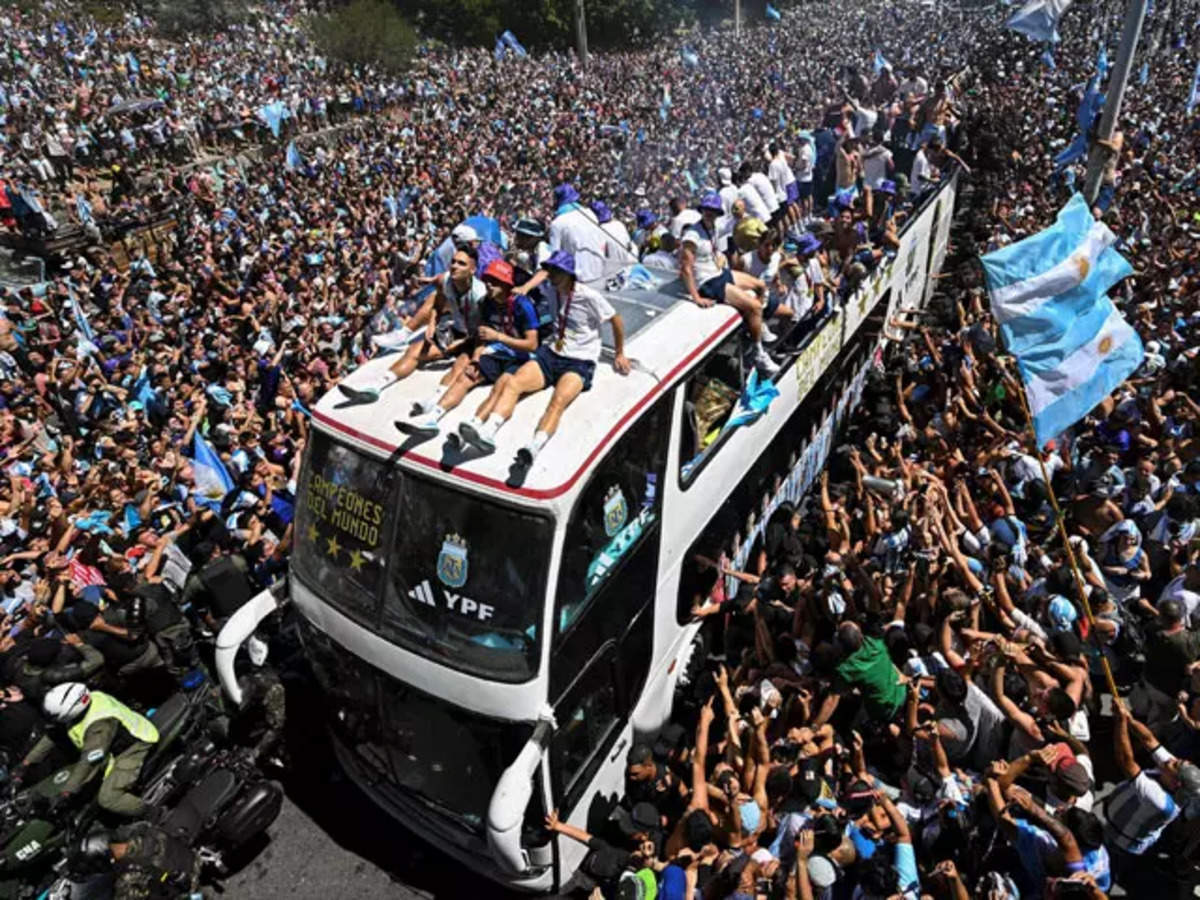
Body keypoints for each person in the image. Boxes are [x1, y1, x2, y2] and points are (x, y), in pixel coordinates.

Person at [457, 251, 630, 464]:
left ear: (568, 274)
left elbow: (616, 320)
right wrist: (525, 287)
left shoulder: (588, 296)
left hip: (579, 360)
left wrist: (620, 352)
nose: (552, 274)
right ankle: (489, 432)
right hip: (551, 353)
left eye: (557, 271)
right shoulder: (552, 290)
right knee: (513, 383)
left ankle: (534, 447)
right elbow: (540, 274)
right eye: (551, 270)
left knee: (558, 400)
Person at [398, 259, 539, 437]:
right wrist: (476, 359)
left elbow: (532, 345)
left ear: (505, 284)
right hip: (498, 352)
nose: (488, 284)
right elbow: (482, 335)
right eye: (487, 279)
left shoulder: (523, 306)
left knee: (501, 389)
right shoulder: (487, 303)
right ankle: (432, 418)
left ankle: (480, 428)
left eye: (494, 281)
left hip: (520, 359)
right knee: (465, 376)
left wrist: (498, 337)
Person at [338, 247, 486, 403]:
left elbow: (485, 332)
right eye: (453, 262)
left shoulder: (480, 295)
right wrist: (432, 324)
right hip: (457, 330)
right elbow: (438, 302)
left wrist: (457, 345)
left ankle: (433, 404)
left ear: (472, 269)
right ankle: (375, 386)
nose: (454, 266)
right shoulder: (446, 280)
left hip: (476, 341)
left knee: (460, 366)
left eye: (461, 264)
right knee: (414, 350)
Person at [15, 682, 159, 817]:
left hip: (132, 748)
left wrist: (67, 792)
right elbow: (53, 736)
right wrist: (25, 764)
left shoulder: (98, 725)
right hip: (111, 744)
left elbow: (89, 761)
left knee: (108, 799)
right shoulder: (87, 700)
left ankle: (152, 812)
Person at [679, 192, 779, 377]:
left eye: (713, 211)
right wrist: (696, 297)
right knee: (755, 306)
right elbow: (686, 268)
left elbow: (717, 245)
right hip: (708, 282)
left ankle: (758, 325)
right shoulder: (692, 235)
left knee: (760, 286)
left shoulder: (712, 228)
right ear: (703, 211)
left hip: (718, 273)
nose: (710, 213)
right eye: (707, 210)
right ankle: (759, 352)